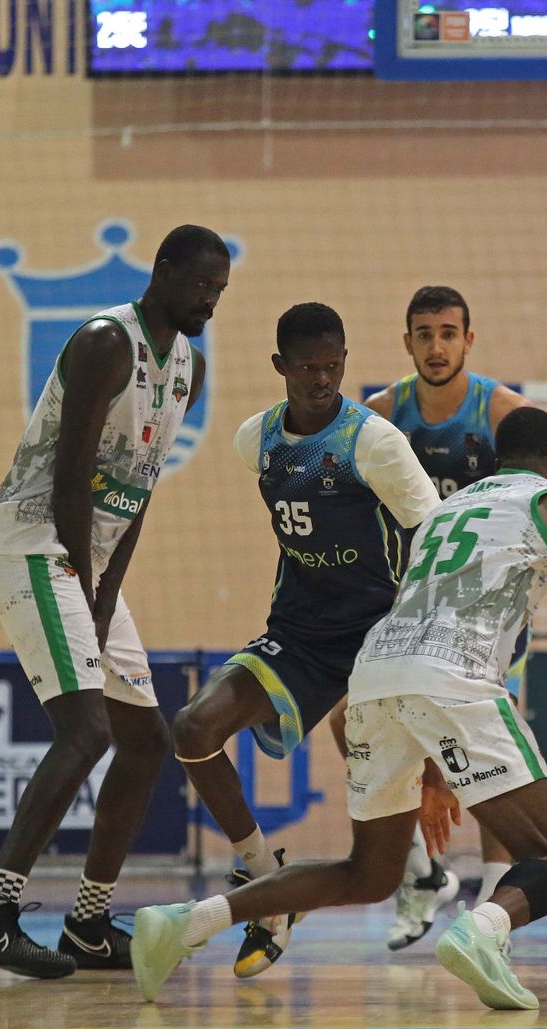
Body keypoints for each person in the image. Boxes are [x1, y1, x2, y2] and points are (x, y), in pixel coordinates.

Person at [132, 406, 547, 1010]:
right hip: (457, 675)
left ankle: (185, 922)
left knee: (367, 874)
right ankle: (481, 932)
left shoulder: (448, 511)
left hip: (373, 674)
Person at [0, 224, 230, 979]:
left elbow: (136, 497)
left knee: (144, 741)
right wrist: (83, 575)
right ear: (163, 271)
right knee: (86, 732)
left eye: (220, 289)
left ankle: (87, 924)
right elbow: (71, 477)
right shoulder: (108, 341)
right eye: (201, 282)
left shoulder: (188, 370)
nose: (210, 297)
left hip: (90, 559)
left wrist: (106, 589)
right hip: (35, 541)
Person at [334, 285, 547, 972]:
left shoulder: (504, 412)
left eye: (449, 332)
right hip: (407, 609)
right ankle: (427, 882)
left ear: (469, 340)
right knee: (348, 723)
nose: (437, 345)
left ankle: (495, 911)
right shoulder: (377, 418)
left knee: (494, 787)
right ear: (406, 343)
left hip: (483, 624)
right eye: (424, 334)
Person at [168, 302, 440, 979]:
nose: (323, 379)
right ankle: (265, 879)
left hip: (382, 638)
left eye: (334, 365)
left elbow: (435, 539)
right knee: (193, 727)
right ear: (280, 367)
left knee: (421, 774)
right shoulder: (253, 440)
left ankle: (469, 885)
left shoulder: (373, 442)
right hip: (300, 634)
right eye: (309, 368)